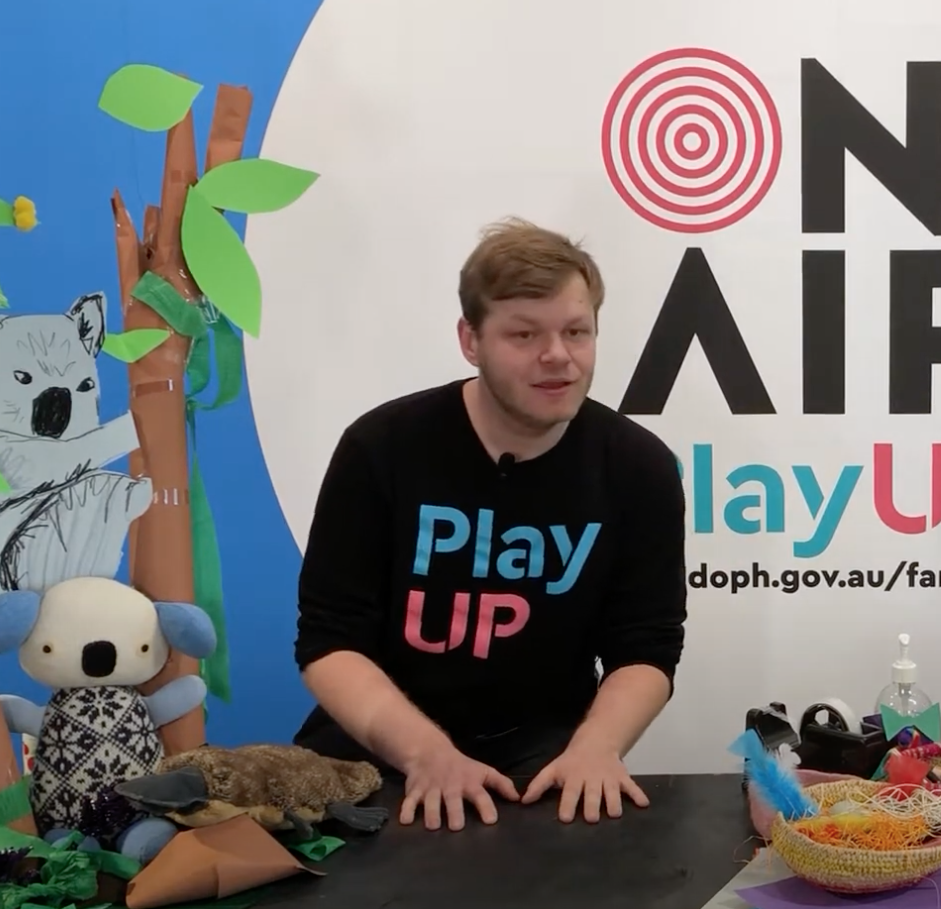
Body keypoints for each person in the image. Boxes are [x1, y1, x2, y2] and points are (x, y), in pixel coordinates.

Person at [291, 217, 689, 831]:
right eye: (524, 334)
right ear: (470, 340)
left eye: (576, 332)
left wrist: (597, 747)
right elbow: (329, 640)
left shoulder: (639, 467)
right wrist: (427, 755)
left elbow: (647, 647)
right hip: (380, 744)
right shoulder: (381, 448)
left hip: (544, 752)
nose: (557, 356)